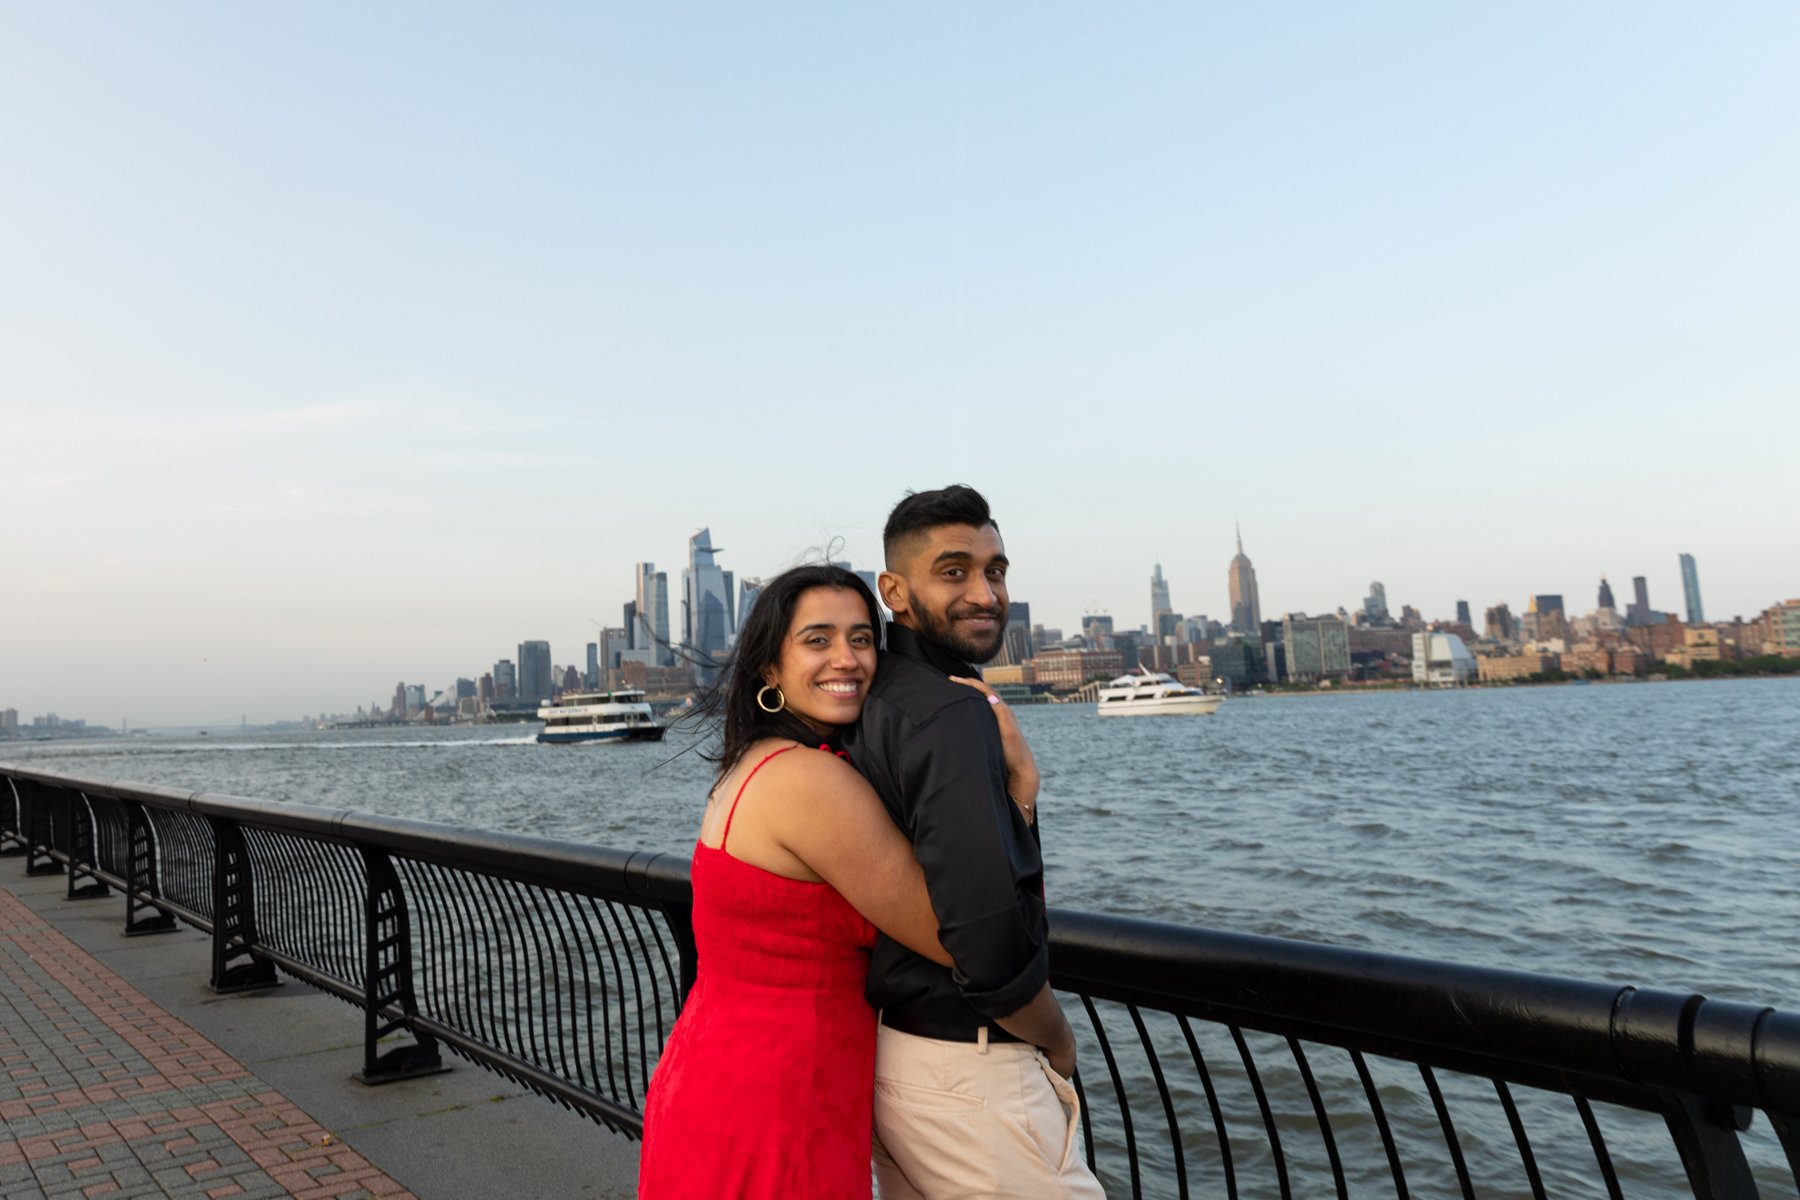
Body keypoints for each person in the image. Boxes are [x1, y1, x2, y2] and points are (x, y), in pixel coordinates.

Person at [637, 563, 1035, 1199]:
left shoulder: (755, 762)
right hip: (780, 1101)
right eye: (817, 640)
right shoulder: (811, 783)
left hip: (716, 1075)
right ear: (770, 667)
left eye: (861, 638)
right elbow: (962, 936)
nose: (846, 659)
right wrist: (1018, 796)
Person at [847, 485, 1106, 1198]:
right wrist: (1056, 1036)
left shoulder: (877, 698)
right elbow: (986, 943)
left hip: (894, 1059)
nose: (985, 593)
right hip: (974, 1078)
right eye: (954, 571)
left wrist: (1020, 798)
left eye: (995, 570)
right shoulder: (952, 713)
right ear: (893, 591)